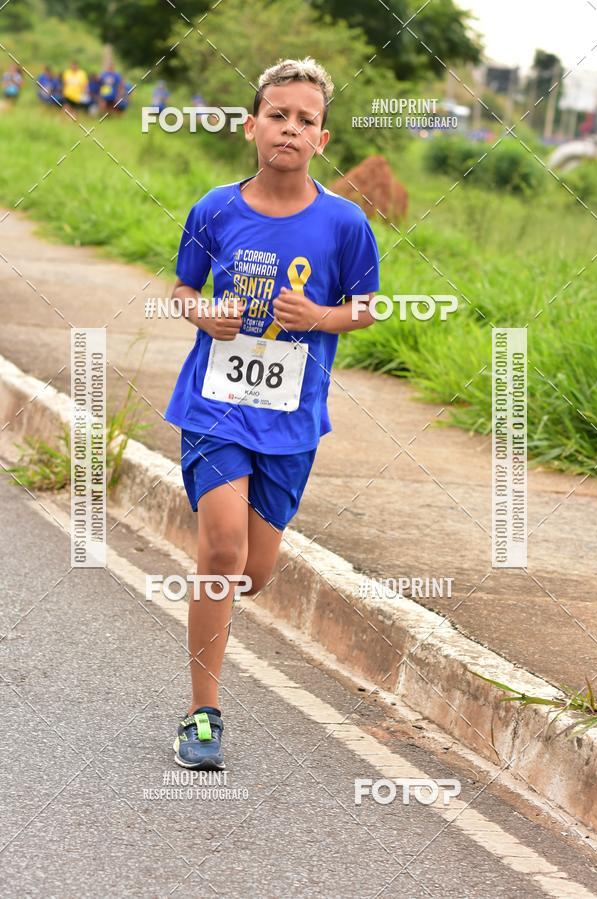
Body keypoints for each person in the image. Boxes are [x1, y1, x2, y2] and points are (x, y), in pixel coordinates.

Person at [164, 57, 380, 770]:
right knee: (221, 552)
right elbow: (181, 290)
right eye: (278, 115)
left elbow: (366, 307)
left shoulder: (345, 223)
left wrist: (320, 313)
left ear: (322, 139)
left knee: (252, 572)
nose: (290, 128)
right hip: (216, 406)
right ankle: (203, 715)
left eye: (306, 120)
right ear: (252, 125)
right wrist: (208, 314)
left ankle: (223, 579)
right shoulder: (215, 209)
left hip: (291, 420)